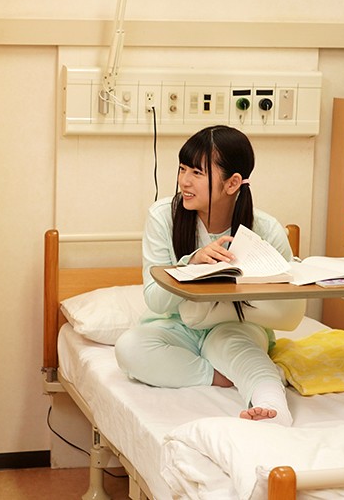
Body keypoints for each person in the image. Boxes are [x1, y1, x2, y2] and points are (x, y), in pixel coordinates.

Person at [114, 125, 304, 426]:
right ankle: (219, 374)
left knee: (240, 349)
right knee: (130, 348)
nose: (184, 181)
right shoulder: (163, 217)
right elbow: (156, 301)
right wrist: (191, 265)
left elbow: (287, 304)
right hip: (177, 328)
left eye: (197, 173)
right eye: (182, 169)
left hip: (236, 325)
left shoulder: (265, 229)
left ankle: (272, 408)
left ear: (232, 183)